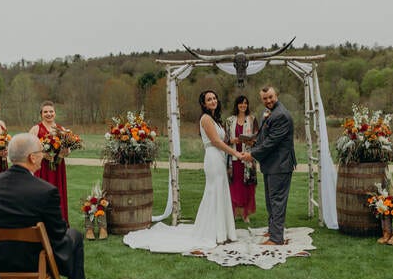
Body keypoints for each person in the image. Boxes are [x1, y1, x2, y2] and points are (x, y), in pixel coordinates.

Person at [0, 133, 87, 279]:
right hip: (34, 262)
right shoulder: (45, 190)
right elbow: (58, 232)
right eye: (41, 152)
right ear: (32, 157)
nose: (43, 156)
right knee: (74, 235)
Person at [123, 90, 242, 252]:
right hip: (213, 158)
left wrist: (234, 141)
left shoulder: (216, 120)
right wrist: (234, 153)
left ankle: (222, 230)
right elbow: (215, 141)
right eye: (209, 99)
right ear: (204, 104)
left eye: (214, 98)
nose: (213, 101)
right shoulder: (206, 118)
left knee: (220, 191)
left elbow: (222, 139)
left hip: (220, 158)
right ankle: (213, 232)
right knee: (214, 192)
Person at [241, 86, 296, 246]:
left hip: (280, 164)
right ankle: (273, 231)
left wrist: (252, 154)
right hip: (271, 164)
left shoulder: (281, 115)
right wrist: (253, 141)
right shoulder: (270, 113)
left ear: (276, 95)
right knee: (271, 201)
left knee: (277, 201)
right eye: (265, 98)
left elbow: (272, 142)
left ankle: (276, 238)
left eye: (271, 97)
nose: (268, 100)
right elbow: (266, 137)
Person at [29, 100, 70, 221]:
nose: (49, 114)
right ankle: (40, 222)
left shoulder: (61, 129)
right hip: (41, 167)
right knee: (41, 193)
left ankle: (59, 221)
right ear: (41, 114)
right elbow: (29, 149)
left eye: (51, 111)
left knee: (58, 193)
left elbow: (67, 150)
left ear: (55, 113)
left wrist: (64, 153)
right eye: (45, 112)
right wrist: (42, 154)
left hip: (58, 167)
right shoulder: (36, 129)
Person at [225, 94, 258, 224]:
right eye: (240, 103)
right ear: (237, 105)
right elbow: (224, 138)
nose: (243, 105)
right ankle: (233, 213)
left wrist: (252, 142)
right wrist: (231, 140)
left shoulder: (252, 119)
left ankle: (245, 214)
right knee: (234, 186)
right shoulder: (229, 120)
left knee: (246, 186)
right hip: (233, 158)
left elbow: (257, 137)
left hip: (247, 158)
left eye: (245, 103)